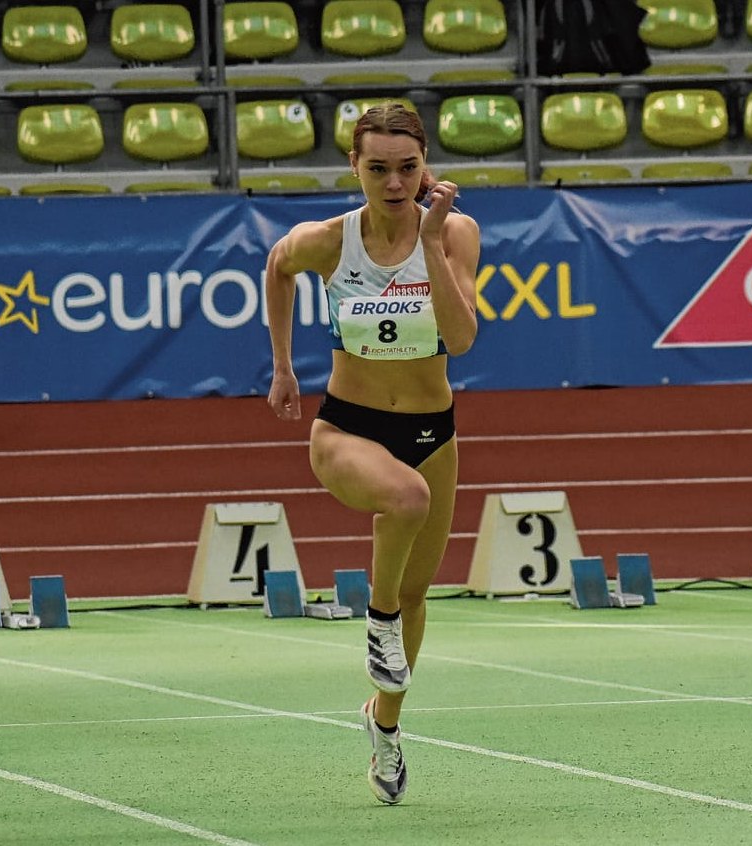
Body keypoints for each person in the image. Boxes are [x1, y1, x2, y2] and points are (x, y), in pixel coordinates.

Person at [263, 103, 479, 806]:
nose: (394, 183)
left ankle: (384, 725)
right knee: (405, 500)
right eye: (378, 168)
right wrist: (283, 366)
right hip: (346, 430)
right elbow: (277, 267)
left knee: (417, 591)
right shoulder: (329, 241)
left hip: (432, 431)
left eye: (407, 168)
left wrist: (432, 241)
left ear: (425, 166)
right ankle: (376, 619)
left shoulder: (455, 232)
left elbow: (461, 338)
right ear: (353, 166)